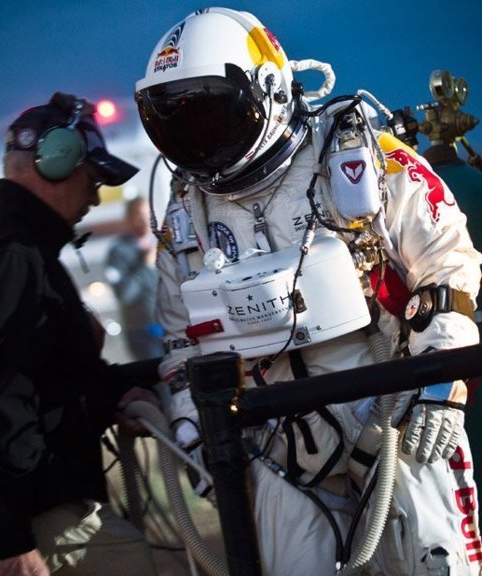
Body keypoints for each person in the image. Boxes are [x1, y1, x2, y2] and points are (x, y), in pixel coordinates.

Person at [135, 7, 482, 576]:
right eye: (180, 125)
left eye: (211, 118)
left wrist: (442, 379)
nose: (199, 142)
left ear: (266, 90)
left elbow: (448, 265)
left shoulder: (360, 157)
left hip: (399, 420)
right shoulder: (186, 212)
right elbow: (181, 340)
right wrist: (194, 429)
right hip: (281, 452)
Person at [0, 92, 160, 576]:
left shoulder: (20, 251)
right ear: (56, 163)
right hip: (31, 517)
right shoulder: (13, 259)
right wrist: (12, 540)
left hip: (27, 508)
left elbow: (49, 383)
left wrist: (121, 391)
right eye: (92, 178)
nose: (96, 196)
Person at [104, 197, 163, 360]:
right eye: (138, 215)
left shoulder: (164, 243)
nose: (144, 219)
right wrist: (145, 266)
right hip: (143, 332)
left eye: (147, 214)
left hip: (172, 326)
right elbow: (124, 294)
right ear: (129, 218)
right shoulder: (119, 251)